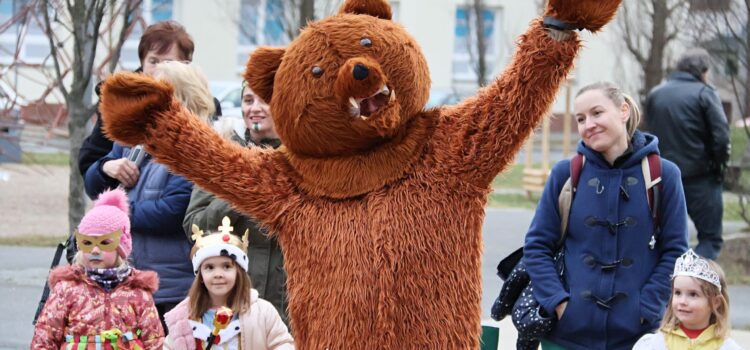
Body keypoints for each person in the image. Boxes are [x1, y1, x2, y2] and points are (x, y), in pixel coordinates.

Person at [523, 82, 689, 349]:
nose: (589, 124)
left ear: (623, 111)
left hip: (637, 338)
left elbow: (676, 251)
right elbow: (536, 246)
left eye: (597, 113)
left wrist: (646, 307)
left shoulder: (663, 175)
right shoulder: (565, 174)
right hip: (568, 336)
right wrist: (559, 303)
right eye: (580, 118)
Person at [83, 60, 216, 329]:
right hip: (126, 279)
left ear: (180, 98)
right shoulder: (133, 139)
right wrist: (105, 168)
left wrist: (116, 215)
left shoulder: (194, 148)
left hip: (170, 289)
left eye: (156, 92)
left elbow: (175, 211)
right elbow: (95, 187)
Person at [183, 81, 289, 325]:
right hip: (231, 302)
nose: (255, 108)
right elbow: (193, 227)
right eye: (248, 100)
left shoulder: (304, 161)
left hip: (289, 304)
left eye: (265, 100)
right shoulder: (222, 157)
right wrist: (236, 193)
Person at [31, 189, 164, 349]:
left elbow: (154, 340)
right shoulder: (66, 289)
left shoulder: (138, 292)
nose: (95, 250)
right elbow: (45, 336)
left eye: (104, 243)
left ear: (120, 248)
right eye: (87, 243)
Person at [644, 48, 731, 260]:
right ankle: (697, 288)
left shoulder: (655, 94)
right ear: (703, 70)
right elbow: (721, 138)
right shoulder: (705, 93)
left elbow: (647, 134)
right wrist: (719, 168)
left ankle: (670, 287)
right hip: (700, 178)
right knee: (710, 239)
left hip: (661, 178)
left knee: (665, 239)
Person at [164, 217, 294, 349]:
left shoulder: (262, 312)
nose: (218, 274)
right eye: (209, 267)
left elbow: (283, 344)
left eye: (226, 266)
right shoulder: (182, 318)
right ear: (200, 275)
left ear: (239, 272)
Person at [633, 249, 742, 349]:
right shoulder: (656, 344)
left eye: (693, 294)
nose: (682, 301)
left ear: (715, 302)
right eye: (678, 293)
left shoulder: (726, 347)